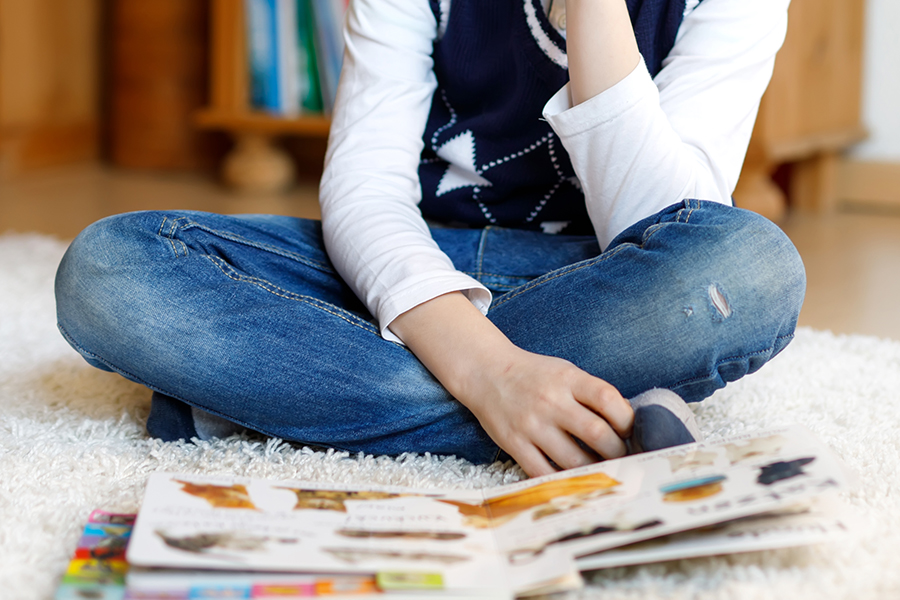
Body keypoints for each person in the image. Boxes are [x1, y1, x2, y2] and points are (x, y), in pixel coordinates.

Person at [54, 0, 805, 478]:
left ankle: (258, 398)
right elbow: (364, 192)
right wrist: (486, 371)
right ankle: (599, 399)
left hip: (599, 279)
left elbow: (666, 225)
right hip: (412, 265)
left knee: (750, 267)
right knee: (112, 268)